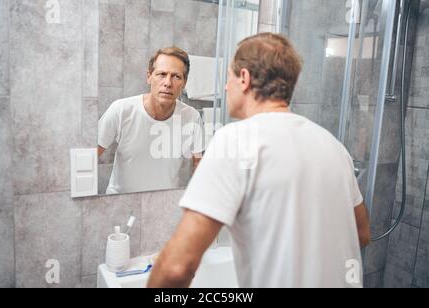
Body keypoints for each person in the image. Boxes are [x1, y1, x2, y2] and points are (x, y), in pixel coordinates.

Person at [147, 33, 371, 288]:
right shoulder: (334, 147)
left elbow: (176, 268)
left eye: (229, 77)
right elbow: (361, 234)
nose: (225, 87)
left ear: (244, 79)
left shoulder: (234, 141)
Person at [98, 47, 204, 195]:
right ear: (149, 76)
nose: (168, 83)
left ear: (184, 83)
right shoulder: (121, 110)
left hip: (164, 203)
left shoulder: (192, 117)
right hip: (121, 204)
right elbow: (88, 157)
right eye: (161, 74)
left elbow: (199, 166)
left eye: (176, 77)